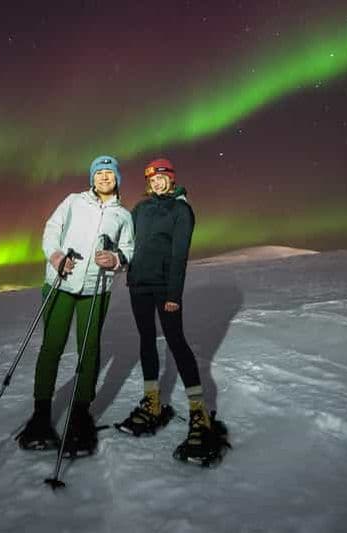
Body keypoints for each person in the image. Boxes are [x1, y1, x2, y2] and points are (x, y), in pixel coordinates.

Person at [17, 155, 134, 457]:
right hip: (61, 283)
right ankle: (41, 415)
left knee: (89, 349)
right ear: (92, 178)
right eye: (99, 173)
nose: (104, 177)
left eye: (109, 173)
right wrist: (56, 256)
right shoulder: (73, 201)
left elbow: (129, 248)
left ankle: (81, 415)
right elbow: (51, 229)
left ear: (117, 179)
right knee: (52, 346)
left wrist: (116, 259)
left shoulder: (123, 215)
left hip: (96, 289)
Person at [117, 157, 229, 463]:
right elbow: (127, 240)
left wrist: (173, 294)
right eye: (152, 180)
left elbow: (180, 255)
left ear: (171, 178)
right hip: (138, 284)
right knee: (146, 341)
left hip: (165, 288)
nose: (156, 183)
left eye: (161, 178)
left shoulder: (181, 210)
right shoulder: (140, 209)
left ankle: (199, 412)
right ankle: (152, 401)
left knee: (176, 342)